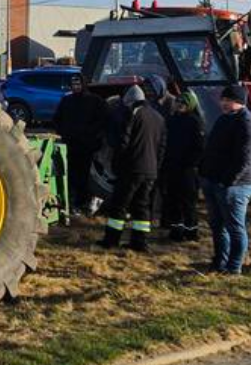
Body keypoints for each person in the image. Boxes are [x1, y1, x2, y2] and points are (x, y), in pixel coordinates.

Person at [99, 85, 166, 252]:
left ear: (130, 101)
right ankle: (140, 242)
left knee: (119, 205)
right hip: (150, 170)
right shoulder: (159, 117)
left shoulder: (133, 114)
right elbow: (162, 147)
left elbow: (124, 142)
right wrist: (156, 167)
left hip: (131, 168)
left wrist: (117, 163)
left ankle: (111, 240)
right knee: (142, 206)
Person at [199, 84, 251, 274]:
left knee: (235, 227)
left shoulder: (245, 122)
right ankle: (219, 262)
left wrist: (228, 181)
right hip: (212, 180)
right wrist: (204, 171)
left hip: (234, 186)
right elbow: (211, 147)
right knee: (217, 225)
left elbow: (244, 158)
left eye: (228, 100)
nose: (223, 103)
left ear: (239, 102)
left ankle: (234, 266)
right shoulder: (223, 119)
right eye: (223, 99)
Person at [52, 74, 108, 213]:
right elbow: (57, 119)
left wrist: (92, 134)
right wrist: (63, 132)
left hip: (86, 146)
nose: (76, 87)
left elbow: (103, 119)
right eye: (73, 85)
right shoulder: (67, 100)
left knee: (84, 176)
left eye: (78, 84)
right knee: (70, 175)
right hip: (70, 145)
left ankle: (82, 202)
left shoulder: (94, 101)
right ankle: (71, 202)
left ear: (83, 84)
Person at [160, 90, 205, 242]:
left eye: (183, 103)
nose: (180, 105)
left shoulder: (195, 122)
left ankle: (191, 232)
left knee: (188, 202)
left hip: (187, 170)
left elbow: (199, 148)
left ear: (190, 105)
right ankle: (176, 231)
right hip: (172, 167)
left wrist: (190, 163)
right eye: (178, 102)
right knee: (173, 200)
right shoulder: (172, 120)